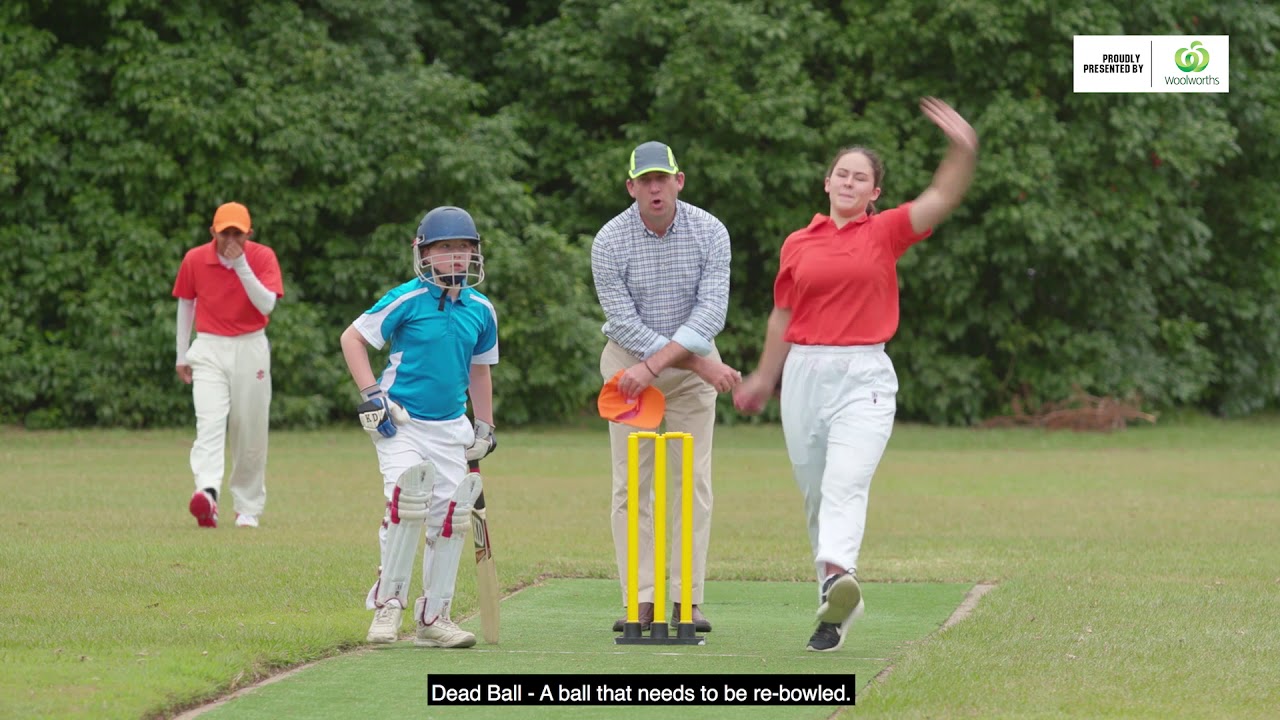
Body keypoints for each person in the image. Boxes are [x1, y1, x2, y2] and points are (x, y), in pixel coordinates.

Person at [733, 97, 979, 652]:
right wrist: (763, 378)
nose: (849, 182)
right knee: (817, 495)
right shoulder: (798, 243)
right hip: (803, 374)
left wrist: (963, 148)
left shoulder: (885, 232)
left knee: (846, 482)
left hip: (864, 374)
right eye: (841, 173)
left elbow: (941, 198)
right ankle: (834, 601)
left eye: (860, 177)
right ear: (827, 183)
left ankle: (839, 575)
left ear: (874, 193)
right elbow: (783, 315)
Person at [591, 141, 742, 634]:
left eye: (663, 178)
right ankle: (641, 600)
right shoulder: (609, 240)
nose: (655, 188)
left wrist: (674, 366)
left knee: (691, 482)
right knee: (630, 485)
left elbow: (710, 313)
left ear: (680, 180)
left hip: (679, 368)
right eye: (645, 180)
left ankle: (686, 601)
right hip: (628, 367)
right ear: (631, 186)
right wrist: (696, 365)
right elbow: (623, 321)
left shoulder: (710, 231)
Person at [340, 206, 498, 648]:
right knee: (407, 502)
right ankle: (388, 605)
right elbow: (352, 338)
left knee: (450, 518)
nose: (456, 257)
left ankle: (435, 617)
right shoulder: (405, 299)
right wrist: (372, 393)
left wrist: (483, 424)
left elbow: (481, 369)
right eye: (445, 248)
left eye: (464, 249)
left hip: (451, 427)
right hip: (401, 421)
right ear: (424, 253)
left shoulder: (481, 310)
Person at [173, 201, 284, 529]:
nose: (231, 239)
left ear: (249, 233)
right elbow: (186, 302)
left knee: (249, 427)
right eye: (225, 233)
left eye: (238, 232)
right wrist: (182, 354)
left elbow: (266, 304)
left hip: (251, 345)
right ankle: (206, 492)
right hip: (208, 348)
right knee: (208, 423)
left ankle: (248, 507)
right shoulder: (195, 258)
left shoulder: (262, 257)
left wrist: (241, 266)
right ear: (213, 232)